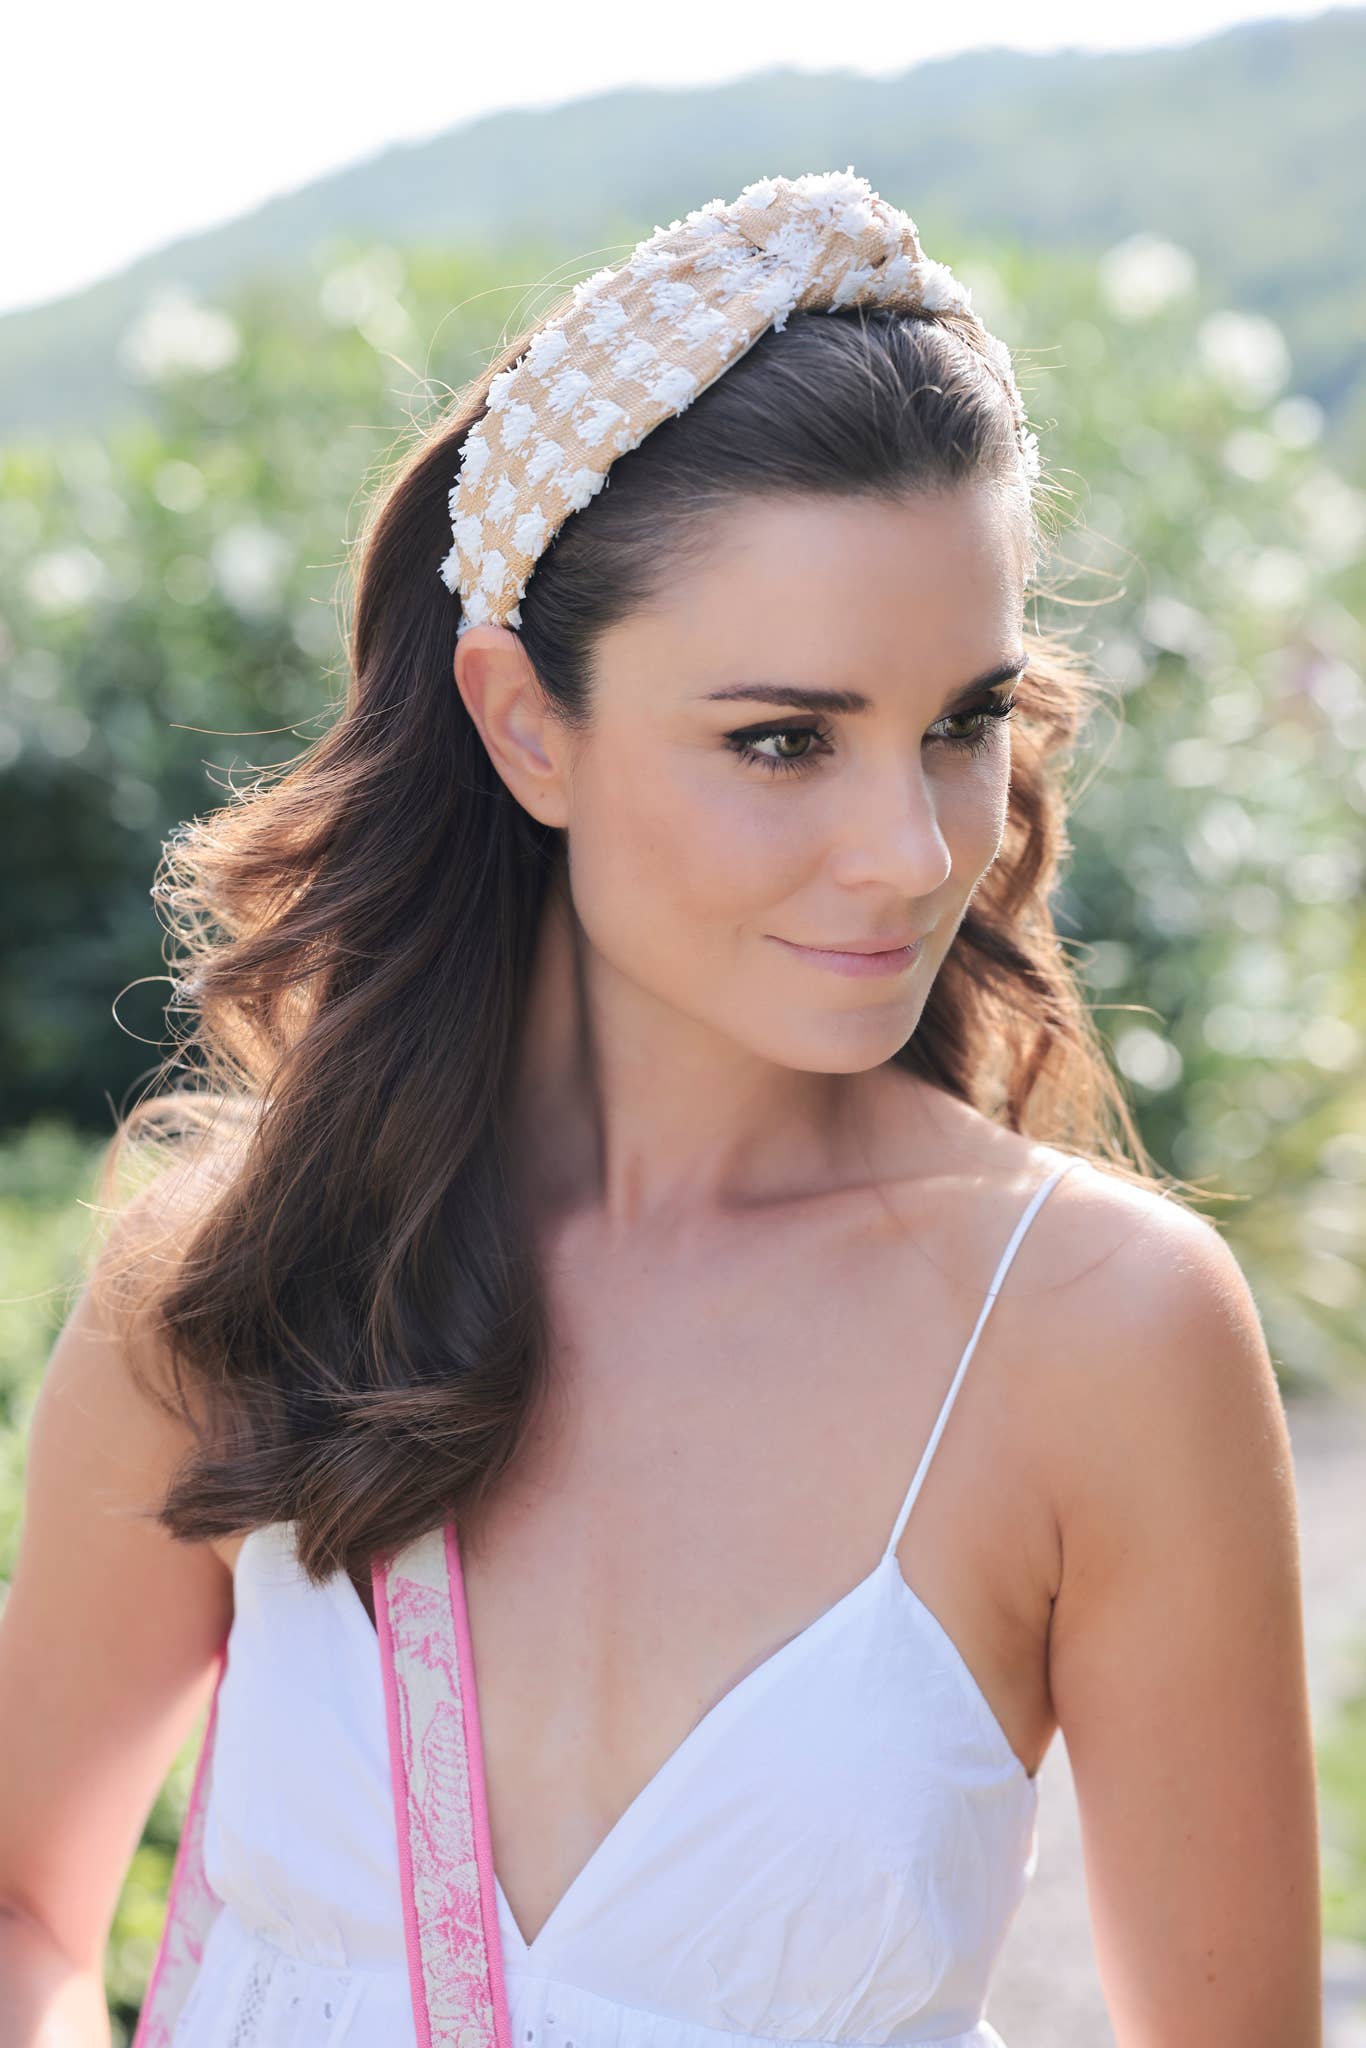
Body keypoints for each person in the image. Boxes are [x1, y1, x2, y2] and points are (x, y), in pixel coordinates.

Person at [0, 172, 1321, 2046]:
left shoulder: (1099, 1337)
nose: (913, 848)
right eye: (780, 740)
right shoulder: (243, 1283)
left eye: (961, 721)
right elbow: (25, 1908)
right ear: (526, 723)